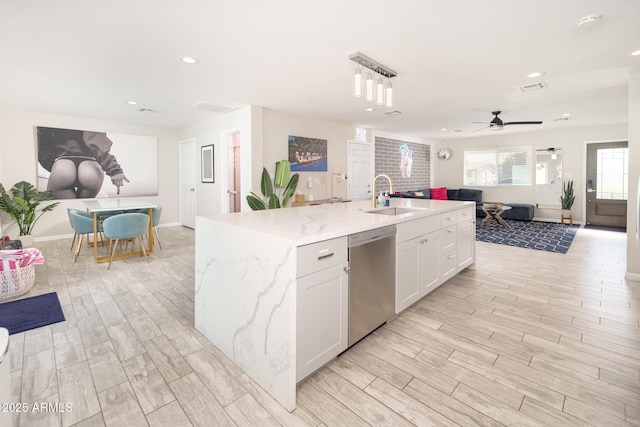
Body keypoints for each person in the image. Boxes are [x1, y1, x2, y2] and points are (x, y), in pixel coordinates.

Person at [37, 127, 129, 199]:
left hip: (63, 165)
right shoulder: (88, 114)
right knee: (81, 212)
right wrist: (114, 169)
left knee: (66, 213)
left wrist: (52, 165)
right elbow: (95, 141)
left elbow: (42, 144)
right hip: (90, 167)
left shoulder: (52, 117)